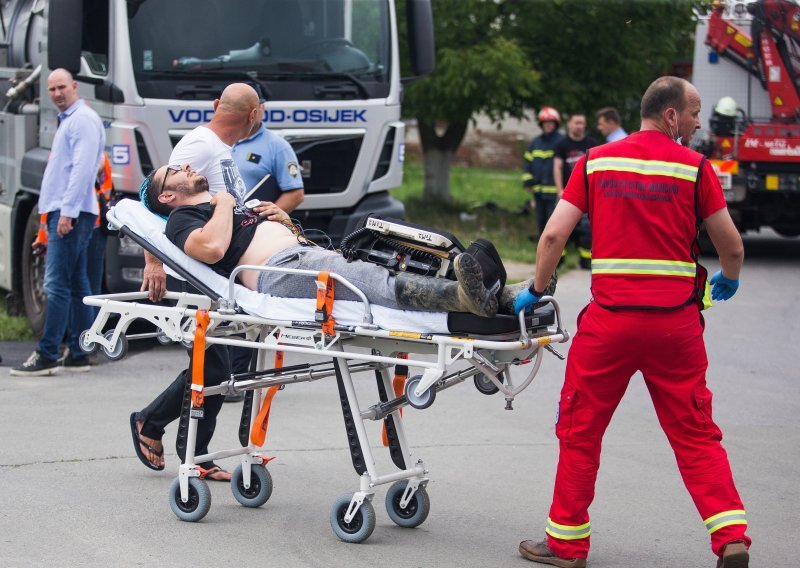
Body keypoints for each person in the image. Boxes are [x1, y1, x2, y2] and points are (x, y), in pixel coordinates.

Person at [514, 76, 750, 568]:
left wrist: (535, 290)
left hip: (610, 325)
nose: (698, 121)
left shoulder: (595, 161)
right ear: (670, 116)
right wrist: (727, 278)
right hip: (676, 328)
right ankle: (730, 535)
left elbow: (555, 235)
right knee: (695, 432)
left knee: (581, 430)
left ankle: (567, 546)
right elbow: (731, 246)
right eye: (694, 112)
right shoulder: (695, 169)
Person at [141, 164, 498, 317]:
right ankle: (460, 299)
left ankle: (501, 292)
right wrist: (226, 202)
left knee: (388, 249)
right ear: (167, 196)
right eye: (173, 173)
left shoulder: (221, 207)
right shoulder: (182, 219)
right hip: (278, 271)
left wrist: (287, 224)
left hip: (300, 256)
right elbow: (213, 249)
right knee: (368, 280)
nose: (185, 167)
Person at [131, 83, 261, 481]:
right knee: (214, 368)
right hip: (195, 273)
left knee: (223, 369)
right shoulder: (198, 146)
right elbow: (156, 200)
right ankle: (180, 444)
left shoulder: (218, 149)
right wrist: (154, 262)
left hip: (220, 275)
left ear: (217, 105)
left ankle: (161, 428)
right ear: (255, 116)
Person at [11, 69, 105, 376]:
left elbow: (81, 170)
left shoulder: (82, 120)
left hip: (70, 214)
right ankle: (79, 352)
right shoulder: (73, 120)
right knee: (77, 284)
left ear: (75, 87)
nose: (57, 93)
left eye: (62, 87)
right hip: (69, 212)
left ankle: (48, 352)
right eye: (51, 89)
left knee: (56, 284)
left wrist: (67, 212)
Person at [231, 100, 304, 214]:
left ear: (262, 108)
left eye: (255, 107)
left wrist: (261, 219)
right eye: (245, 107)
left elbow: (295, 195)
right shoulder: (221, 138)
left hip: (249, 226)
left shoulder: (278, 146)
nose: (252, 113)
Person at [554, 114, 598, 268]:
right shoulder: (562, 144)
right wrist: (559, 189)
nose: (579, 126)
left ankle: (585, 259)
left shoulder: (592, 143)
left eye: (582, 123)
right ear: (570, 124)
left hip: (587, 193)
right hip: (566, 194)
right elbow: (557, 167)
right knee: (561, 227)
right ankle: (559, 259)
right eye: (576, 123)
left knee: (587, 229)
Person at [522, 107, 564, 237]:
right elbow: (528, 161)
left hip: (554, 192)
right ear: (541, 124)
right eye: (545, 123)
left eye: (550, 122)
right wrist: (528, 181)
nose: (548, 125)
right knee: (541, 222)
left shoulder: (561, 141)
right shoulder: (536, 142)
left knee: (553, 224)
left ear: (556, 124)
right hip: (539, 192)